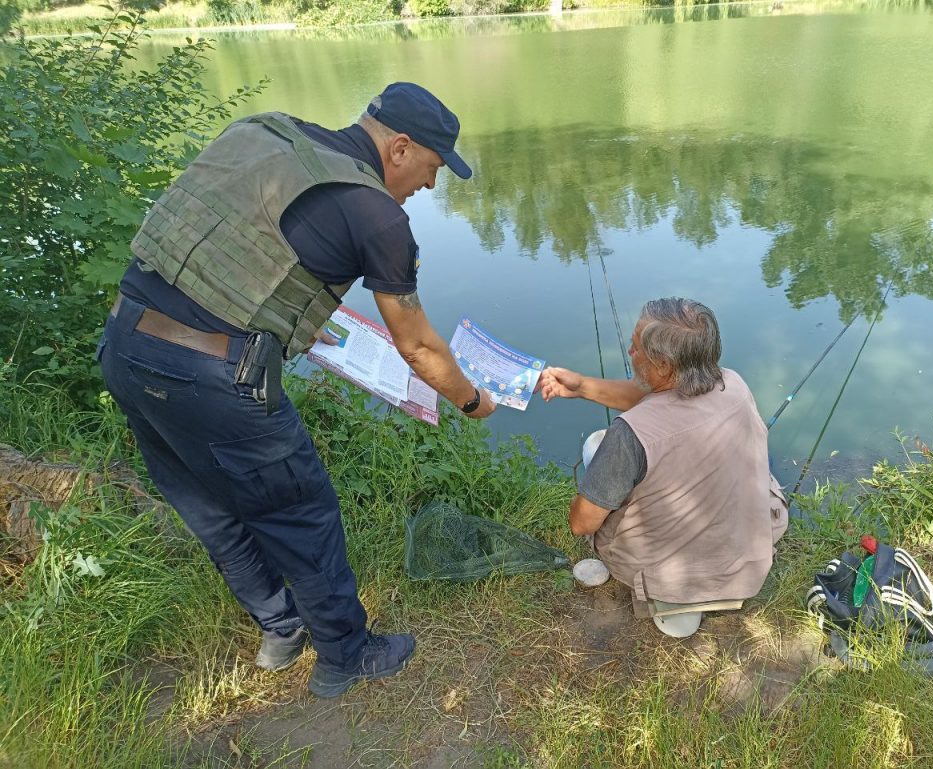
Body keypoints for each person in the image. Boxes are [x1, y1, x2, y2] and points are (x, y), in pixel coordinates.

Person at [97, 83, 496, 698]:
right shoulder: (378, 216)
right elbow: (418, 348)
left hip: (126, 344)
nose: (431, 184)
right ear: (400, 147)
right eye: (433, 167)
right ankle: (346, 654)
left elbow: (241, 248)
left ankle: (281, 630)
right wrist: (472, 401)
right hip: (213, 375)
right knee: (300, 512)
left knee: (208, 506)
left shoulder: (264, 131)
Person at [539, 298, 788, 635]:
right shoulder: (735, 385)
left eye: (637, 347)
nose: (629, 351)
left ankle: (672, 597)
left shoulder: (629, 436)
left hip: (670, 576)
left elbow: (581, 524)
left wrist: (596, 482)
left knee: (595, 445)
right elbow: (653, 400)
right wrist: (581, 386)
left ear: (664, 365)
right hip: (746, 563)